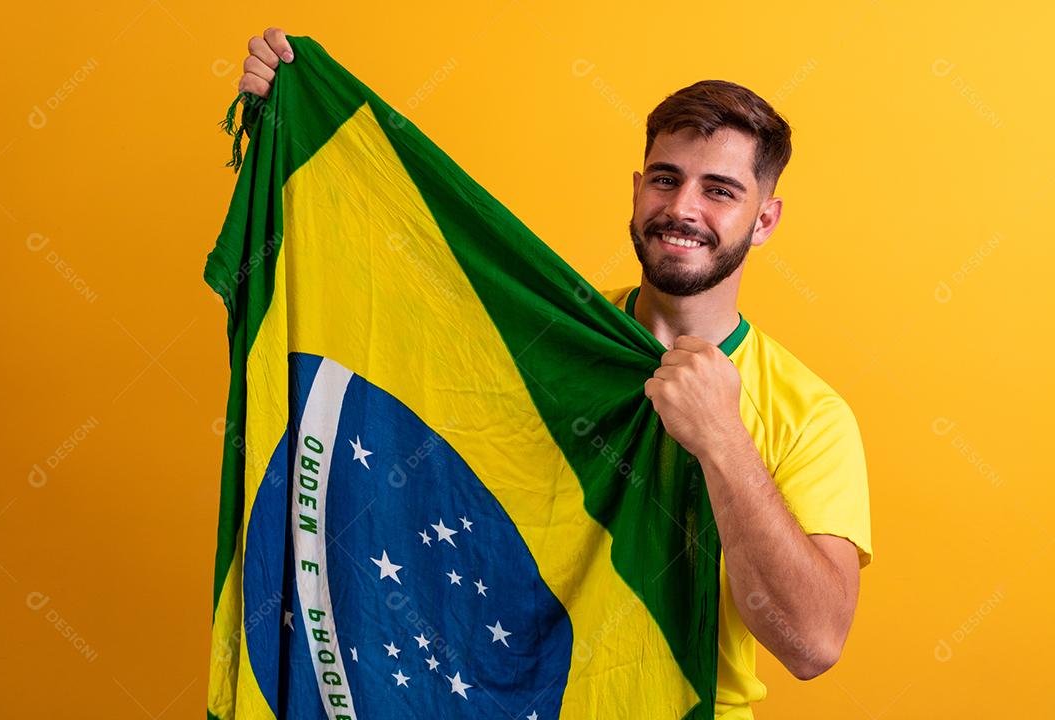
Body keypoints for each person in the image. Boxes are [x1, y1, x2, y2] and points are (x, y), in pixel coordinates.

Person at [235, 27, 873, 720]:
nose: (683, 208)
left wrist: (722, 439)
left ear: (764, 220)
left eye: (719, 191)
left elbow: (812, 643)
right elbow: (392, 323)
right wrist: (297, 124)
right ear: (637, 190)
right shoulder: (546, 341)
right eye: (666, 179)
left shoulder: (810, 414)